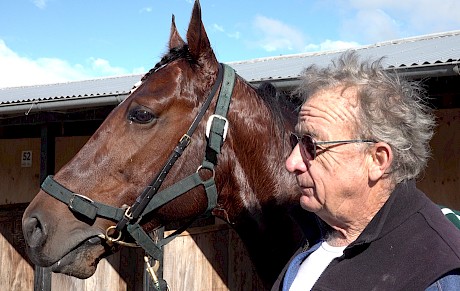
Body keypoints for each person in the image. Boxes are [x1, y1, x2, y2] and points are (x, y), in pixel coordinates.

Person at [272, 51, 460, 290]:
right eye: (295, 142)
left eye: (311, 145)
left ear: (376, 160)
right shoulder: (312, 227)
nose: (291, 162)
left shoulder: (434, 273)